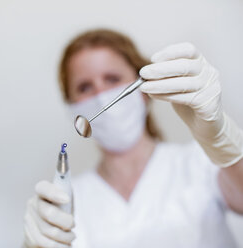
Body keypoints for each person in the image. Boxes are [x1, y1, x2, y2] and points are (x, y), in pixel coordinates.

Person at [23, 29, 243, 248]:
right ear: (71, 106)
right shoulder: (68, 200)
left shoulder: (200, 162)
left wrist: (223, 141)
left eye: (112, 79)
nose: (100, 96)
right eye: (85, 87)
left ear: (144, 90)